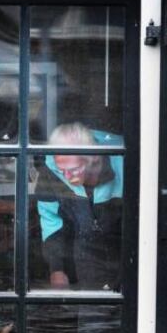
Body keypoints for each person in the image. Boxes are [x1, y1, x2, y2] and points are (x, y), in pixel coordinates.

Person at [34, 122, 124, 292]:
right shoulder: (52, 172)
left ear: (92, 160)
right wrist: (57, 268)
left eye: (74, 169)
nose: (67, 177)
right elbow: (51, 220)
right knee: (91, 313)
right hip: (85, 251)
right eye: (62, 170)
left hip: (127, 249)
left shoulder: (123, 162)